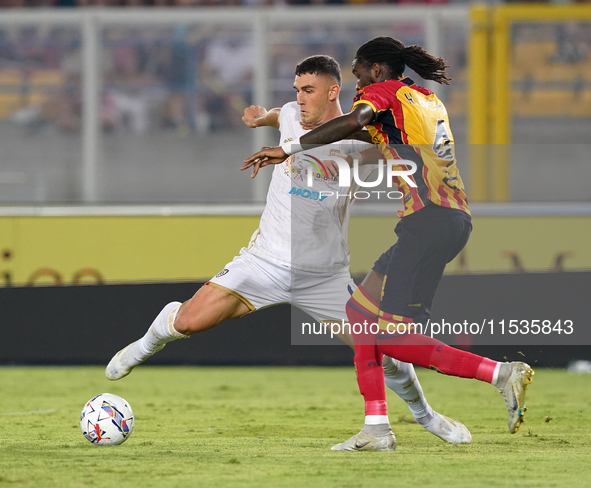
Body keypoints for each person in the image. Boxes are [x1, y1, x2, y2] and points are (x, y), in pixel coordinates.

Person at [106, 55, 472, 449]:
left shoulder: (359, 134)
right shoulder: (290, 119)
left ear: (333, 91)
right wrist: (262, 116)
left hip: (326, 276)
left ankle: (427, 417)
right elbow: (280, 114)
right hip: (264, 263)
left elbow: (401, 149)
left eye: (308, 90)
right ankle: (146, 345)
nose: (300, 98)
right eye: (297, 90)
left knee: (384, 351)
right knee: (189, 323)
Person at [243, 38, 534, 451]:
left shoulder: (380, 93)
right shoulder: (425, 99)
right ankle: (377, 427)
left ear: (376, 70)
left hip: (429, 222)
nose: (356, 83)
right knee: (359, 314)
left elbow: (350, 123)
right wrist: (283, 121)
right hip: (443, 219)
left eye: (358, 72)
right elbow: (373, 139)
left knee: (393, 340)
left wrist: (286, 147)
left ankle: (500, 374)